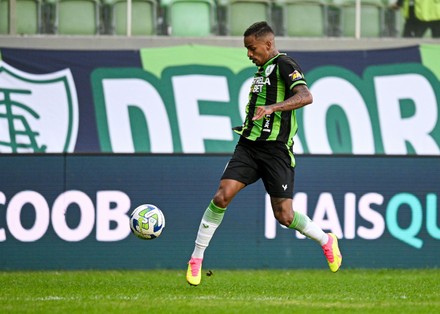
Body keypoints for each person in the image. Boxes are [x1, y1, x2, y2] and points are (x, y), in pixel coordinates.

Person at [185, 21, 342, 286]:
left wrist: (273, 108)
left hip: (276, 151)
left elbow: (306, 96)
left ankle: (326, 240)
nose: (248, 54)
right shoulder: (262, 69)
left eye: (252, 48)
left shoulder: (284, 64)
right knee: (222, 196)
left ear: (268, 44)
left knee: (284, 216)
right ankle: (196, 259)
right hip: (248, 146)